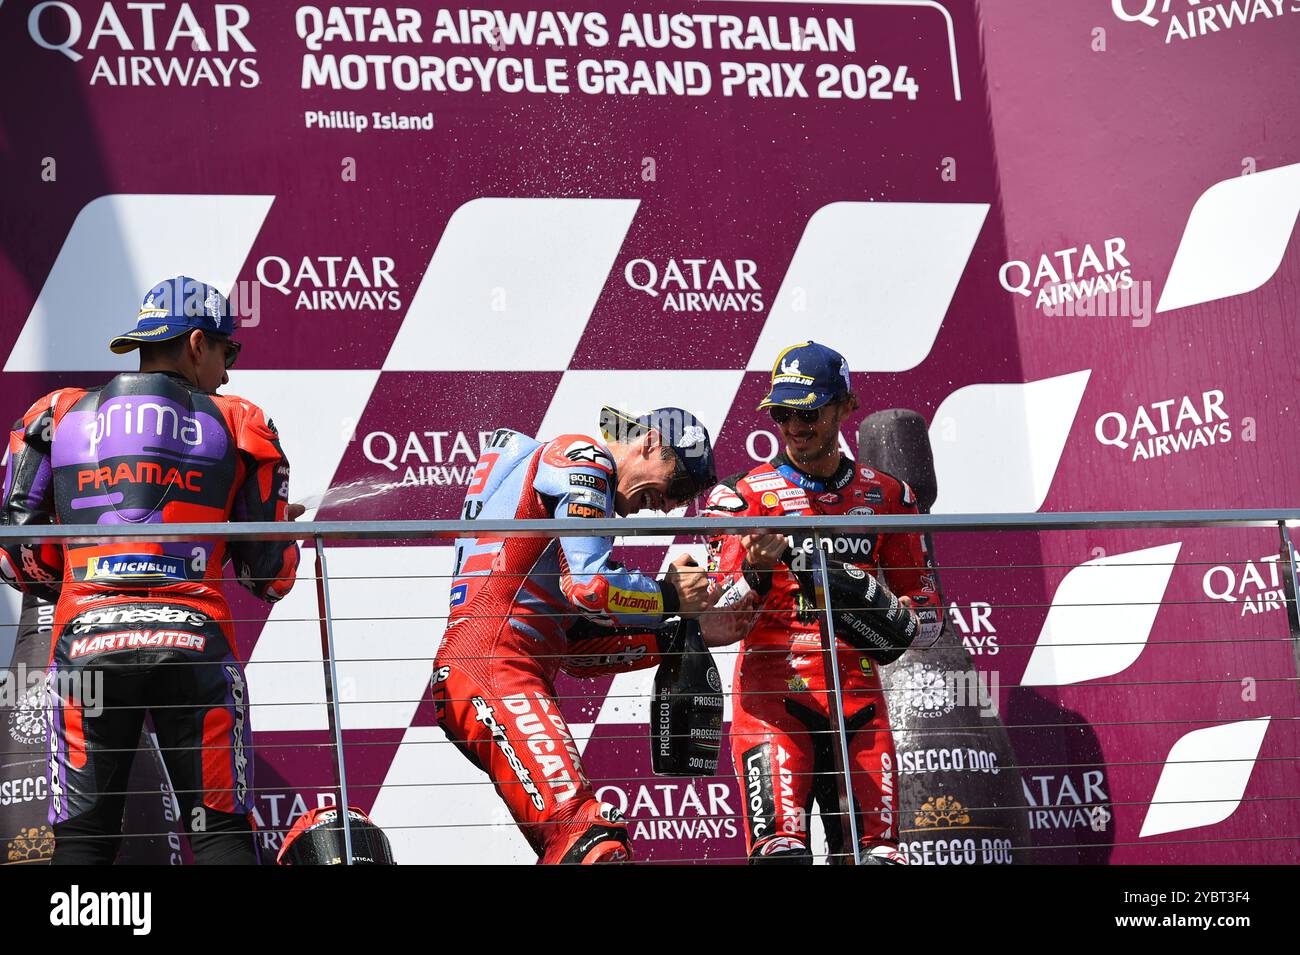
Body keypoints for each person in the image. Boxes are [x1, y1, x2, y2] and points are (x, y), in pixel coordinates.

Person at [0, 275, 300, 864]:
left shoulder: (54, 415)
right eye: (227, 351)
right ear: (196, 343)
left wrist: (87, 571)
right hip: (196, 647)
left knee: (85, 839)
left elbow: (14, 553)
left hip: (85, 646)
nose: (229, 371)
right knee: (218, 834)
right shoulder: (239, 420)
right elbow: (272, 574)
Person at [433, 406, 729, 863]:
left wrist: (676, 635)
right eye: (680, 483)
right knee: (588, 839)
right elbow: (591, 588)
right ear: (649, 443)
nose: (671, 505)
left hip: (493, 670)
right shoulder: (584, 458)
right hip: (494, 668)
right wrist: (669, 596)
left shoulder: (564, 483)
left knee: (573, 844)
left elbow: (575, 652)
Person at [703, 341, 941, 864]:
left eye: (808, 412)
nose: (795, 426)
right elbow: (717, 620)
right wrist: (756, 570)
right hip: (773, 701)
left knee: (878, 858)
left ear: (844, 407)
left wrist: (894, 618)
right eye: (784, 413)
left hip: (860, 702)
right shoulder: (740, 496)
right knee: (780, 857)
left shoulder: (891, 496)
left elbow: (929, 617)